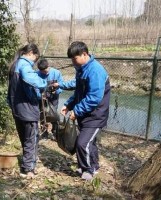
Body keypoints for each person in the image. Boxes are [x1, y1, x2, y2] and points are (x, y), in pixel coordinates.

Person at [58, 41, 110, 181]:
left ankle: (88, 170)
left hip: (96, 115)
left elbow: (94, 97)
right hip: (86, 114)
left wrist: (77, 110)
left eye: (75, 59)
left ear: (84, 54)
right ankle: (91, 165)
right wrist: (69, 105)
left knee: (82, 143)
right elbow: (79, 92)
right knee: (89, 143)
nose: (73, 62)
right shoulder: (81, 69)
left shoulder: (95, 71)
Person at [7, 43, 47, 179]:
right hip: (28, 110)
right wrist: (44, 84)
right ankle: (28, 168)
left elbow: (10, 90)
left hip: (17, 109)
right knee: (32, 139)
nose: (35, 61)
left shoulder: (15, 64)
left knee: (24, 138)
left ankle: (27, 162)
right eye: (35, 58)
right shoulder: (24, 65)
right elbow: (31, 79)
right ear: (31, 53)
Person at [37, 58, 64, 140]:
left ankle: (55, 132)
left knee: (54, 115)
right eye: (43, 72)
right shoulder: (37, 74)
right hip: (42, 99)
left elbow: (61, 85)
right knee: (43, 114)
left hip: (54, 98)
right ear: (40, 70)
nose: (46, 72)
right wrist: (40, 95)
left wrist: (56, 91)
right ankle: (44, 132)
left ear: (48, 66)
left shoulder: (56, 73)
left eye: (46, 70)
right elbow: (35, 88)